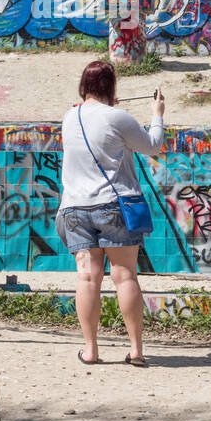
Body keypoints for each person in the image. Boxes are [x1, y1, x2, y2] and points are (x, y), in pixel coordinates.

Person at [58, 60, 165, 367]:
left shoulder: (69, 117)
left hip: (75, 208)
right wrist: (157, 115)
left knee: (88, 278)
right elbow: (152, 146)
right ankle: (135, 350)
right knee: (124, 276)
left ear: (83, 86)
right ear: (111, 87)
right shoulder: (119, 117)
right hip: (114, 205)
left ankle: (90, 350)